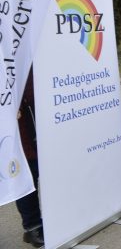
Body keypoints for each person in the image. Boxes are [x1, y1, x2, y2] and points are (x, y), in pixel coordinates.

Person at [15, 71, 44, 248]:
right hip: (17, 114)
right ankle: (33, 226)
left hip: (39, 102)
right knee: (27, 172)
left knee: (46, 168)